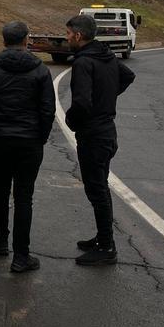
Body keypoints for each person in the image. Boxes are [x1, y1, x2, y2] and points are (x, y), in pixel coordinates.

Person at [0, 21, 55, 273]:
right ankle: (22, 254)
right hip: (29, 141)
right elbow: (47, 109)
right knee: (24, 196)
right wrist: (40, 136)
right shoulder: (40, 70)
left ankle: (0, 239)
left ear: (3, 40)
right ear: (26, 40)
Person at [64, 15, 135, 266]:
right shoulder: (105, 55)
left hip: (93, 135)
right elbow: (128, 76)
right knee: (99, 187)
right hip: (107, 131)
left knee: (97, 190)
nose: (67, 38)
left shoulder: (84, 63)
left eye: (69, 34)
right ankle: (102, 237)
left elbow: (82, 102)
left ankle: (106, 247)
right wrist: (107, 96)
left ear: (79, 36)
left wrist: (70, 120)